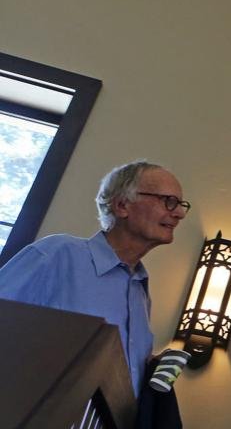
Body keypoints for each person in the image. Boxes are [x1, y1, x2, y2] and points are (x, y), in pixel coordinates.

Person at [0, 160, 189, 399]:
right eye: (168, 201)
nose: (180, 213)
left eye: (181, 204)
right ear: (122, 205)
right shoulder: (57, 254)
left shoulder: (141, 292)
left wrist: (149, 367)